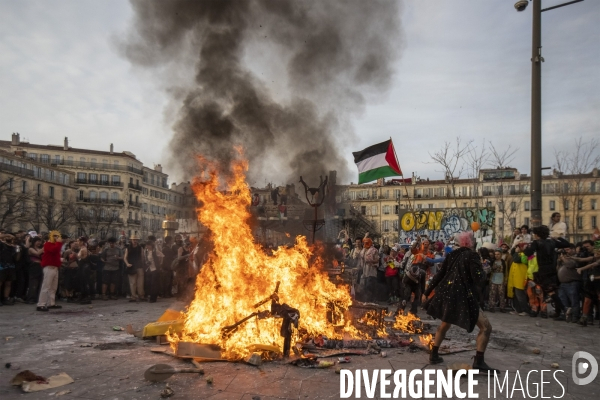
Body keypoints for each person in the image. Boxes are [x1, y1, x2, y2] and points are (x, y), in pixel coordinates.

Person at [423, 231, 494, 371]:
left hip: (448, 295)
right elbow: (478, 278)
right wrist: (485, 269)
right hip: (463, 297)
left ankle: (434, 354)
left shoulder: (452, 255)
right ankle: (479, 361)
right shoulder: (472, 255)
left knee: (445, 324)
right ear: (471, 243)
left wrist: (426, 292)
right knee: (486, 327)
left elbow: (439, 275)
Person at [523, 225, 565, 319]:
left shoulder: (537, 242)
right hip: (552, 269)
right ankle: (560, 310)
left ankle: (564, 309)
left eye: (534, 234)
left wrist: (526, 247)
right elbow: (566, 244)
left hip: (543, 270)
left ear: (537, 234)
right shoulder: (552, 241)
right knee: (552, 291)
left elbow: (527, 253)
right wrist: (558, 238)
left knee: (550, 292)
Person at [37, 231, 63, 311]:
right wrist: (59, 243)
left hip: (55, 268)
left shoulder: (55, 245)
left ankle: (51, 303)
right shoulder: (47, 244)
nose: (57, 237)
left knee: (53, 287)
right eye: (55, 236)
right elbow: (54, 250)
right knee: (46, 287)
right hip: (49, 267)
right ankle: (41, 304)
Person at [556, 244, 581, 322]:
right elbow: (557, 269)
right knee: (563, 300)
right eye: (565, 250)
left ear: (573, 249)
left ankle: (575, 316)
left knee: (574, 300)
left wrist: (563, 258)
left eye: (568, 249)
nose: (566, 251)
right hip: (563, 283)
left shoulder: (576, 257)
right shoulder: (564, 259)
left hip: (572, 282)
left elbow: (571, 265)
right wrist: (559, 261)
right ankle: (565, 315)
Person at [506, 243, 530, 316]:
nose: (517, 248)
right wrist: (514, 247)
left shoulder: (525, 255)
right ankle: (517, 310)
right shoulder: (518, 254)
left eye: (519, 247)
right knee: (516, 295)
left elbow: (516, 259)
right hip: (515, 278)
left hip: (520, 279)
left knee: (520, 296)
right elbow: (512, 253)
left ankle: (525, 310)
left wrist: (516, 252)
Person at [124, 235, 145, 302]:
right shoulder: (128, 248)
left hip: (139, 266)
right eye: (133, 240)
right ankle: (133, 297)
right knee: (132, 283)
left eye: (136, 240)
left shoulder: (140, 248)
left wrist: (142, 265)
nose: (135, 241)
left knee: (140, 283)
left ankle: (141, 296)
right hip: (131, 266)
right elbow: (125, 257)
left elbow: (142, 257)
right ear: (131, 240)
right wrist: (127, 264)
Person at [0, 233, 17, 305]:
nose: (10, 239)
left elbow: (16, 258)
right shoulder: (2, 245)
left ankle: (6, 298)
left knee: (8, 283)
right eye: (8, 238)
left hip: (11, 266)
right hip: (2, 266)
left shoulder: (13, 247)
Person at [26, 237, 44, 304]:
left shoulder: (40, 249)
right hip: (34, 267)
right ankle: (31, 298)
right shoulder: (31, 249)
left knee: (40, 283)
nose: (39, 243)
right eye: (37, 241)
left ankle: (37, 298)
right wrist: (44, 248)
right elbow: (37, 253)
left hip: (40, 266)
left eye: (40, 241)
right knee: (33, 283)